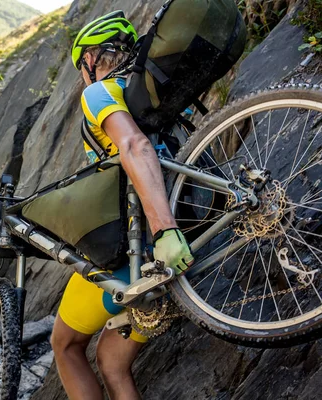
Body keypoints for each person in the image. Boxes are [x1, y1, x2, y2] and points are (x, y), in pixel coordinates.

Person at [50, 10, 194, 400]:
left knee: (65, 345)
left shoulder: (99, 93)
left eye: (83, 65)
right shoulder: (165, 103)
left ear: (91, 61)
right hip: (186, 261)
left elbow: (134, 145)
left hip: (138, 258)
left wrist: (164, 231)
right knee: (112, 361)